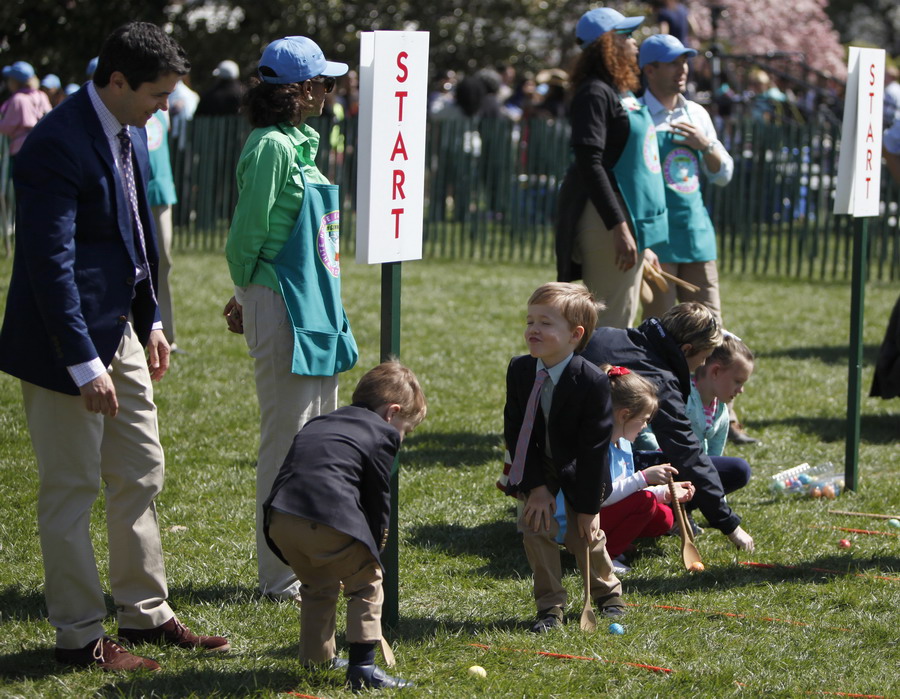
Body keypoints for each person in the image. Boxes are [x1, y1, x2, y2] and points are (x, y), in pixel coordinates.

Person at [0, 22, 228, 672]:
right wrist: (82, 363)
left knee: (143, 467)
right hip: (61, 345)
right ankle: (78, 636)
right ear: (118, 81)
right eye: (158, 95)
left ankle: (146, 613)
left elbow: (130, 235)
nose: (165, 107)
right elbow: (51, 265)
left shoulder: (130, 128)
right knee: (71, 488)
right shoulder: (53, 144)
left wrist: (149, 319)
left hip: (122, 330)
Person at [223, 35, 359, 602]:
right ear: (302, 89)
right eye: (325, 81)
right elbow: (247, 234)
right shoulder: (271, 147)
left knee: (317, 437)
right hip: (280, 302)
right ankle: (280, 576)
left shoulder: (300, 141)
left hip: (312, 301)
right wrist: (246, 291)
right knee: (286, 441)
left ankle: (310, 560)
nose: (332, 89)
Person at [264, 361, 426, 691]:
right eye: (405, 431)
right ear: (392, 413)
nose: (401, 438)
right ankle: (363, 667)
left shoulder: (321, 421)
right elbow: (378, 494)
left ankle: (317, 657)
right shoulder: (382, 432)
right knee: (366, 582)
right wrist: (375, 545)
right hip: (326, 518)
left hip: (280, 518)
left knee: (318, 583)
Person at [636, 34, 754, 445]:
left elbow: (724, 173)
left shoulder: (698, 113)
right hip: (658, 237)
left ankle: (724, 417)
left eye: (686, 60)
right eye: (673, 62)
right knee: (663, 336)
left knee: (713, 330)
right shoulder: (637, 114)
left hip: (697, 232)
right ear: (649, 69)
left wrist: (706, 147)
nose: (683, 68)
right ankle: (660, 416)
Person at [581, 302, 755, 551]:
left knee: (666, 515)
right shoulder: (662, 378)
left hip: (558, 463)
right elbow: (686, 452)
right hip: (599, 473)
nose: (700, 366)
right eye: (703, 358)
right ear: (686, 349)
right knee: (731, 470)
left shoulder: (605, 334)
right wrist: (729, 524)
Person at [502, 281, 624, 634]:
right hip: (538, 463)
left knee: (584, 535)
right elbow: (516, 431)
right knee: (534, 526)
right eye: (530, 321)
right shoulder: (521, 370)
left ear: (575, 334)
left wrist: (588, 508)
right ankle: (550, 606)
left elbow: (593, 449)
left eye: (545, 323)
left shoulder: (590, 381)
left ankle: (607, 593)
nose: (533, 330)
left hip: (581, 468)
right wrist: (536, 487)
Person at [556, 8, 667, 329]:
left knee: (621, 317)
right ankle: (600, 379)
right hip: (607, 221)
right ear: (607, 44)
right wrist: (618, 228)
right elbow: (590, 163)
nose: (635, 43)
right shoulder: (594, 92)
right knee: (610, 325)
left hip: (623, 220)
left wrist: (637, 236)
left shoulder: (619, 91)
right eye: (627, 36)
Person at [595, 365, 694, 574]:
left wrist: (665, 492)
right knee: (646, 503)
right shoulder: (598, 448)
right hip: (580, 523)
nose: (644, 426)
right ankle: (603, 557)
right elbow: (602, 497)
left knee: (664, 516)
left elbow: (626, 491)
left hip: (604, 514)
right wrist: (644, 478)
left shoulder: (623, 444)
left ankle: (612, 542)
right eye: (644, 420)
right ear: (624, 415)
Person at [146, 109, 179, 348]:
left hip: (160, 191)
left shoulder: (161, 110)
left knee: (163, 262)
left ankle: (166, 333)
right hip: (133, 192)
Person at [0, 61, 52, 164]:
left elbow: (8, 126)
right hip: (41, 145)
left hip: (20, 148)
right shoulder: (41, 96)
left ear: (15, 82)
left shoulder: (18, 99)